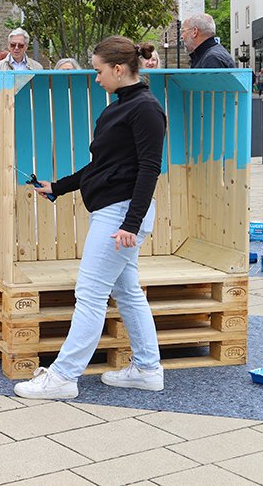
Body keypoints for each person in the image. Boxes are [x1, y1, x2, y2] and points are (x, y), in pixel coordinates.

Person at [13, 36, 166, 400]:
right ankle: (147, 369)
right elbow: (102, 166)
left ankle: (64, 376)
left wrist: (131, 223)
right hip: (115, 212)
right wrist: (58, 187)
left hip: (121, 215)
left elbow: (150, 169)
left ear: (118, 69)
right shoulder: (122, 106)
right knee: (127, 292)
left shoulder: (145, 109)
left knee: (90, 293)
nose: (95, 78)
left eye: (98, 71)